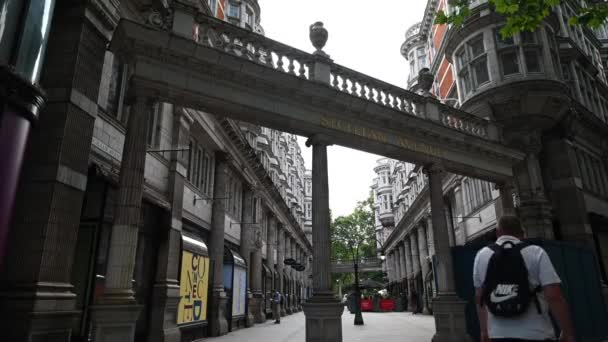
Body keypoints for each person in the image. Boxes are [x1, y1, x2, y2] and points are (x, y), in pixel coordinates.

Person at [473, 215, 576, 342]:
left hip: (497, 335)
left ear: (497, 232)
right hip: (536, 333)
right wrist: (567, 332)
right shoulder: (536, 253)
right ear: (522, 234)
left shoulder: (481, 255)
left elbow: (479, 299)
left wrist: (484, 332)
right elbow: (554, 296)